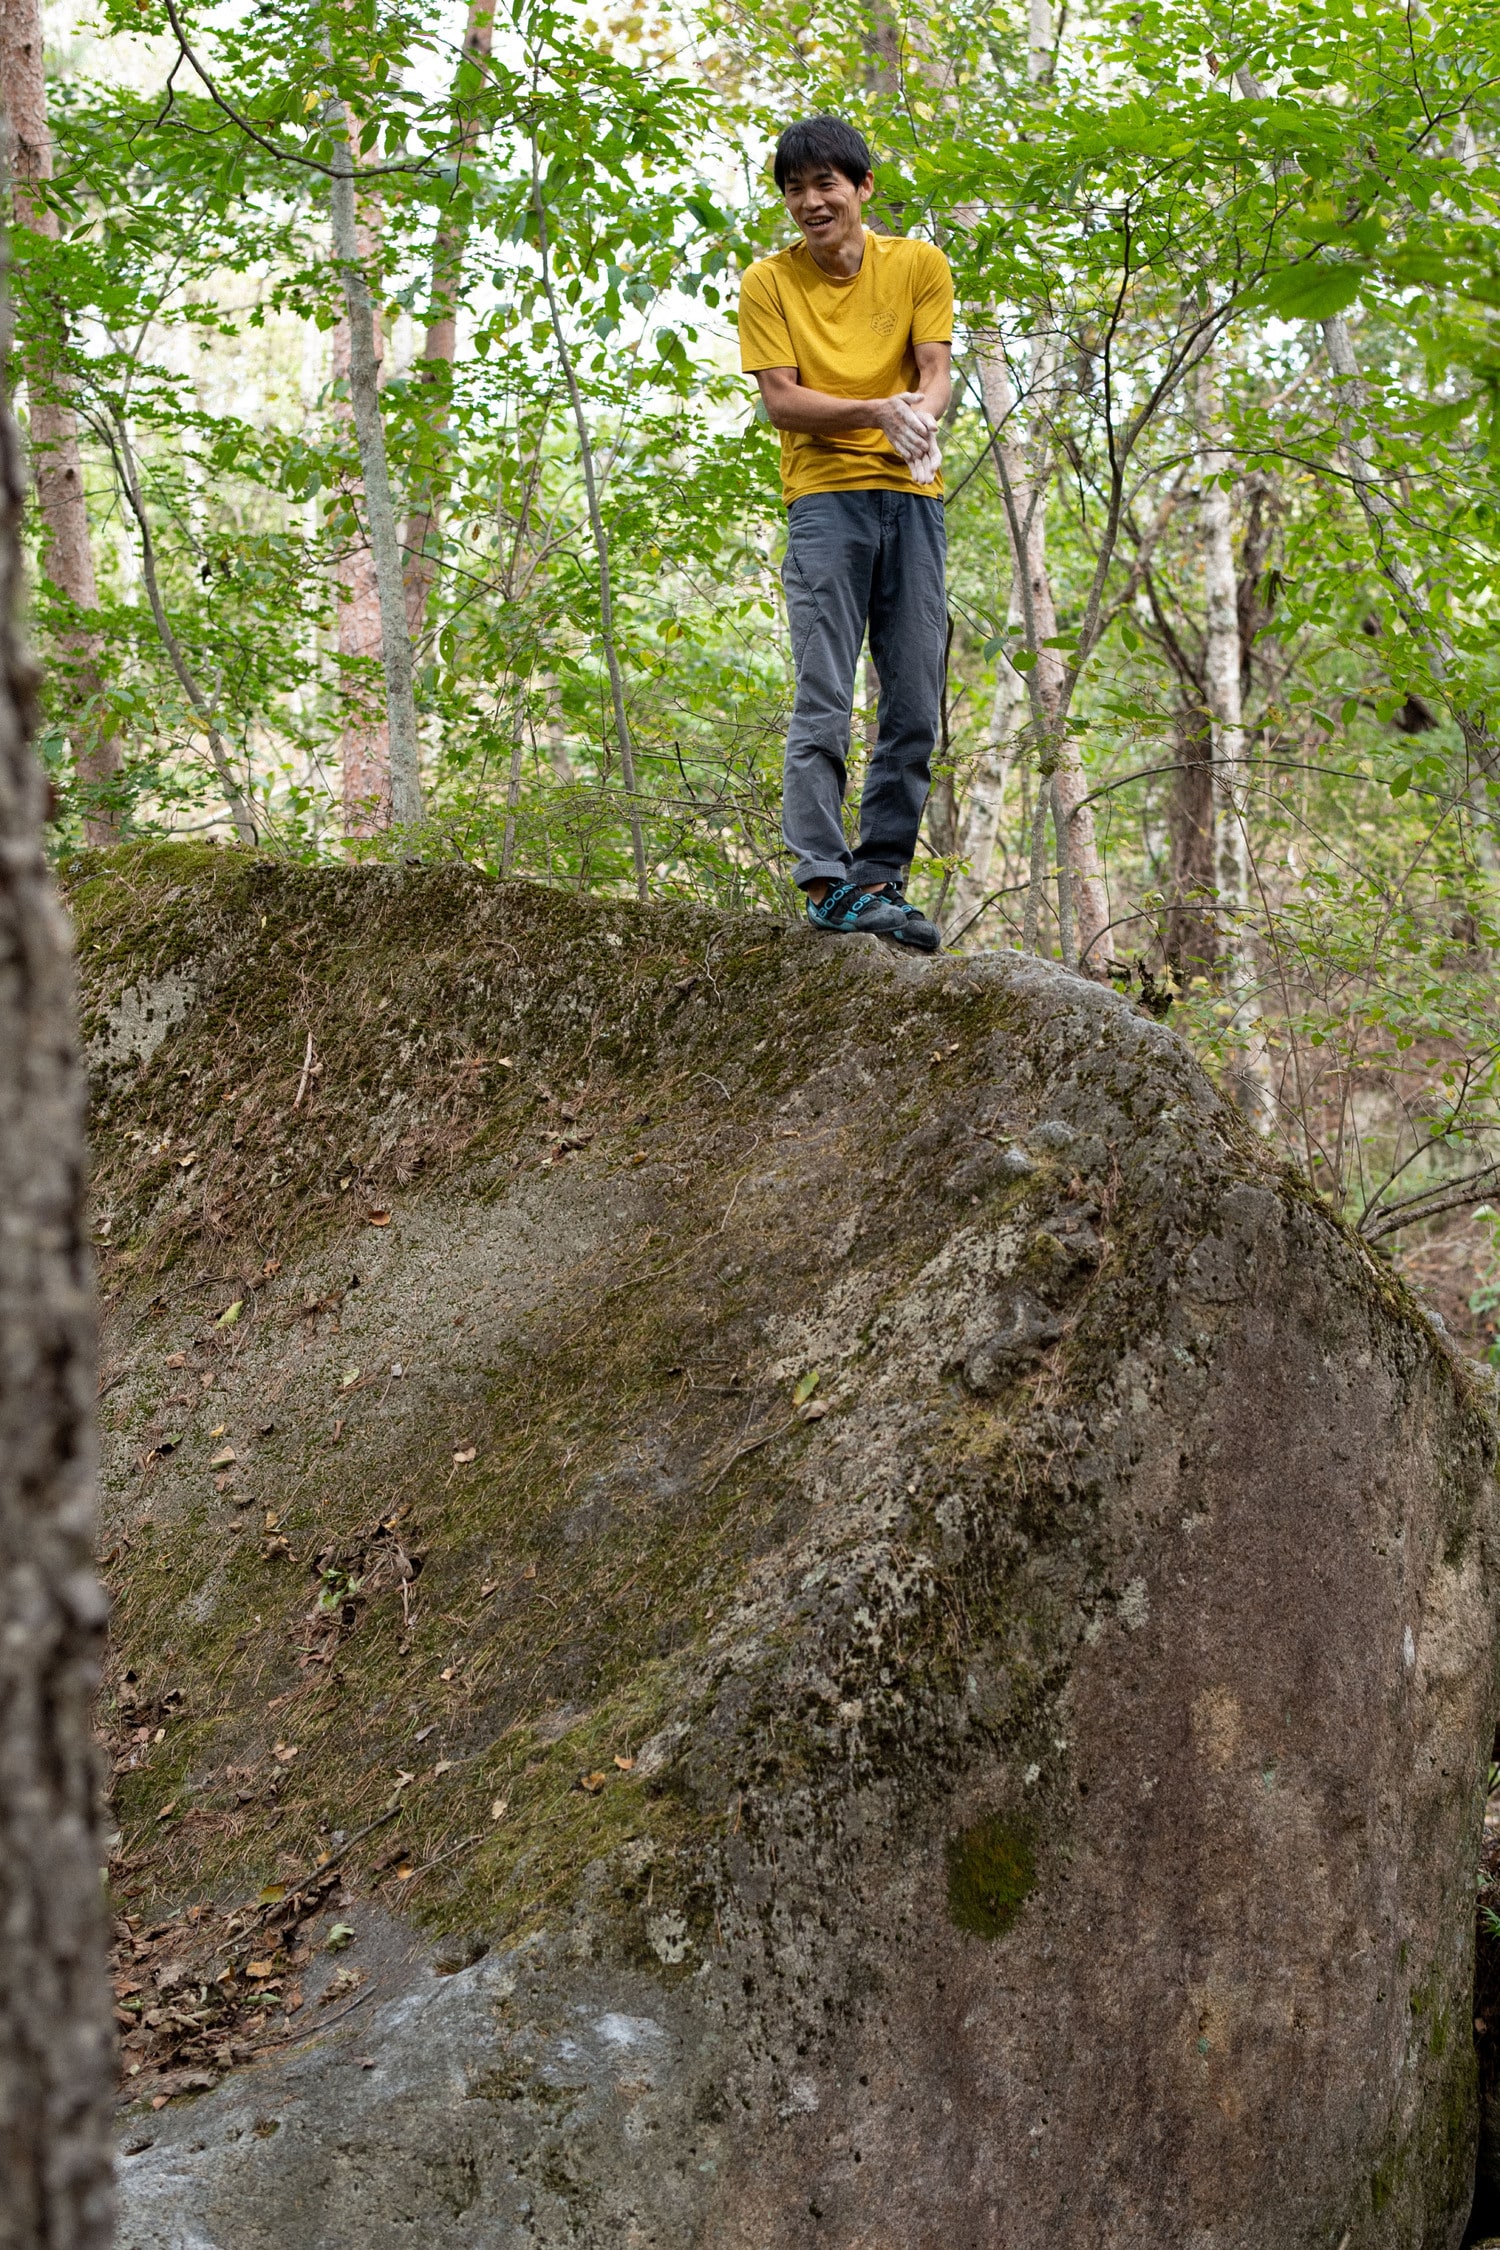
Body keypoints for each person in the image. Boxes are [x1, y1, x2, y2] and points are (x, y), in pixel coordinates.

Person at [739, 114, 953, 953]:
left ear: (862, 188)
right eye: (795, 189)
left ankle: (879, 880)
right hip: (826, 500)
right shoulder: (769, 283)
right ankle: (827, 884)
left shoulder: (919, 264)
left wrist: (918, 422)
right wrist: (875, 411)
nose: (809, 202)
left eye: (825, 184)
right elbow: (781, 401)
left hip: (914, 497)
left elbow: (933, 375)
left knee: (911, 699)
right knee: (824, 695)